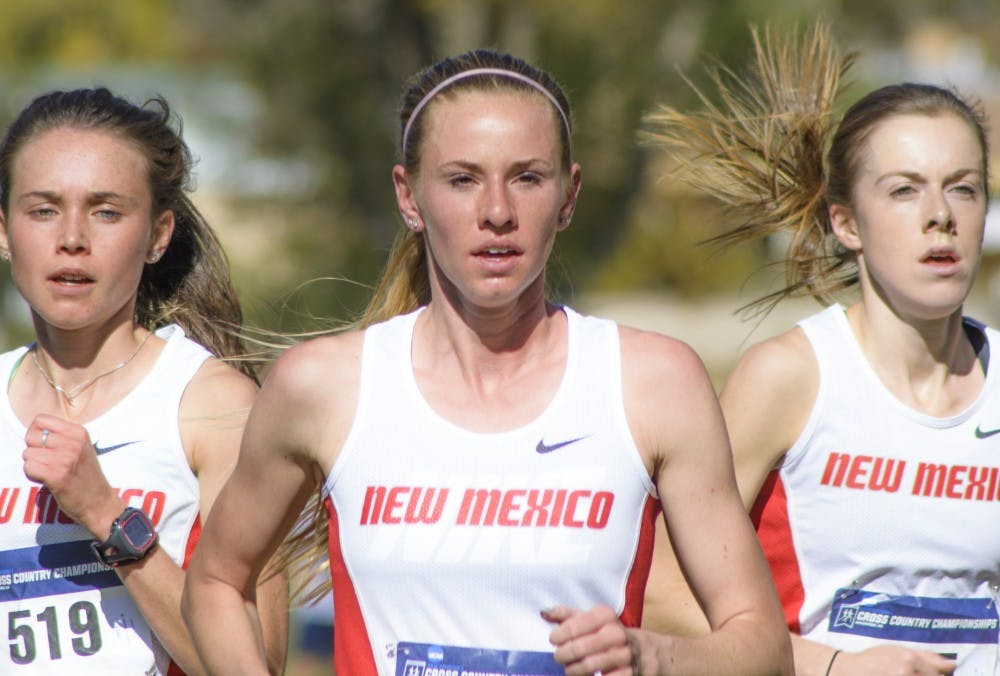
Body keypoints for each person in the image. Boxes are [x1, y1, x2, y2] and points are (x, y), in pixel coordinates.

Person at [181, 48, 792, 675]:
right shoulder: (326, 387)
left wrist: (652, 655)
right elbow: (215, 583)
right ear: (409, 196)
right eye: (462, 179)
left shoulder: (654, 383)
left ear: (569, 195)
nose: (497, 211)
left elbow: (764, 648)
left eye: (527, 177)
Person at [645, 23, 1000, 675]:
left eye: (963, 187)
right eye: (903, 189)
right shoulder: (790, 378)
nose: (940, 214)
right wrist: (834, 665)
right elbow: (664, 596)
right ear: (845, 222)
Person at [0, 88, 287, 675]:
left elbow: (259, 665)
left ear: (158, 235)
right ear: (3, 231)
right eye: (43, 209)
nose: (72, 237)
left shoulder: (214, 405)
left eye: (106, 211)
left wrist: (107, 516)